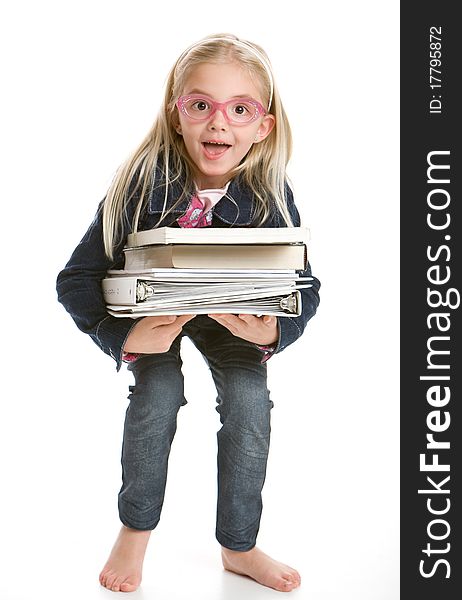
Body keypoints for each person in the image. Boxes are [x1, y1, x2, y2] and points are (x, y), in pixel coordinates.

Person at [56, 33, 320, 594]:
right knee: (157, 394)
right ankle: (134, 532)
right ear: (177, 116)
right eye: (200, 105)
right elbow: (75, 278)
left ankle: (239, 545)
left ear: (262, 125)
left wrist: (276, 330)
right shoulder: (138, 183)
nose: (218, 125)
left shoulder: (271, 193)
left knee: (251, 401)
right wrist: (124, 339)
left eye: (239, 110)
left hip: (232, 318)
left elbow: (306, 282)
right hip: (152, 319)